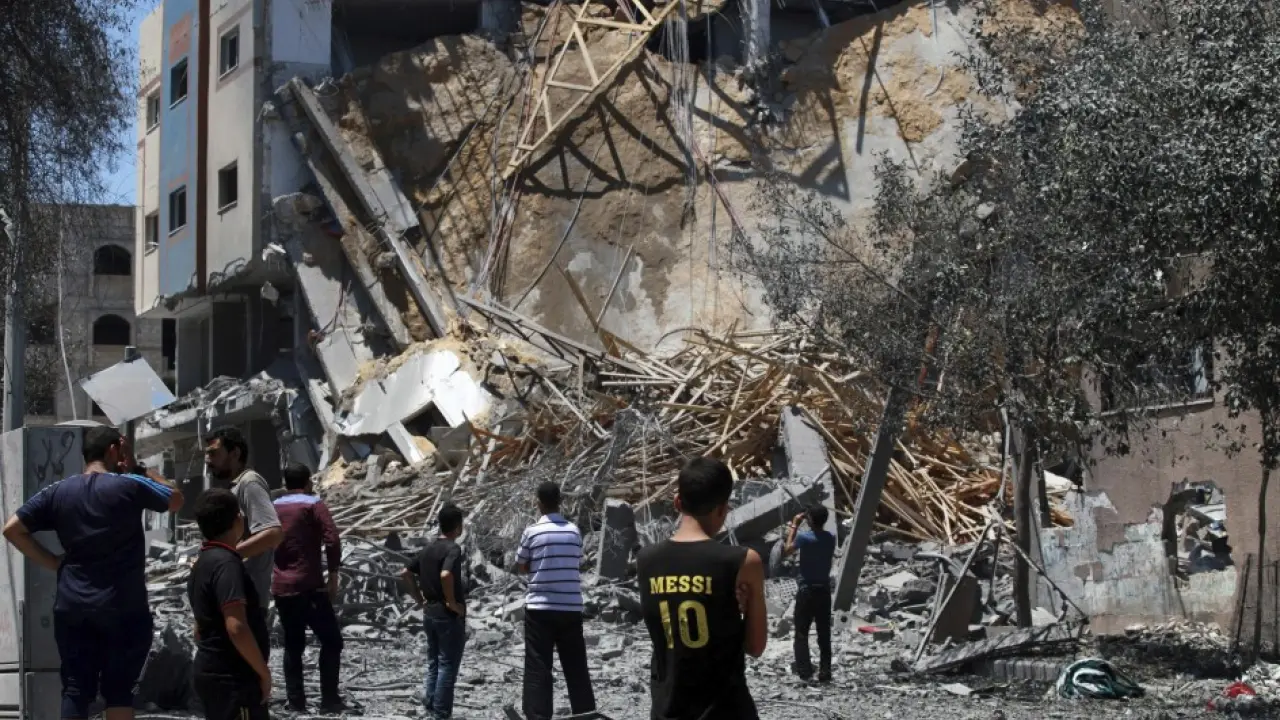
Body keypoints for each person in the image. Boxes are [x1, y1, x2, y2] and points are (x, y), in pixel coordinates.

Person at [1, 425, 183, 720]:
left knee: (75, 689)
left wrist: (53, 562)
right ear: (114, 450)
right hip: (123, 607)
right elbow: (175, 499)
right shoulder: (130, 484)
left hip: (73, 605)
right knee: (119, 691)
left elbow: (12, 529)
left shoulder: (58, 491)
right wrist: (139, 468)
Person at [637, 456, 767, 720]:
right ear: (723, 509)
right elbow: (755, 646)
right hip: (726, 712)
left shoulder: (646, 561)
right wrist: (744, 609)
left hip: (668, 709)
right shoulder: (743, 561)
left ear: (677, 502)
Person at [272, 462, 351, 713]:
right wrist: (334, 573)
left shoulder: (274, 507)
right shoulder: (313, 504)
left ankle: (296, 703)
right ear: (308, 482)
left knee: (293, 645)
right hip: (310, 586)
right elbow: (332, 538)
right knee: (332, 641)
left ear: (285, 484)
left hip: (283, 587)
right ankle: (330, 700)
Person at [515, 482, 597, 720]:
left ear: (539, 503)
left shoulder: (532, 532)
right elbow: (575, 561)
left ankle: (537, 715)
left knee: (538, 664)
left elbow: (521, 564)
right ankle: (586, 713)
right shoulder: (573, 531)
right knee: (576, 665)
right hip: (570, 607)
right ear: (560, 502)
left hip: (540, 607)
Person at [188, 489, 273, 720]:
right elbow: (236, 626)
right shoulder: (227, 564)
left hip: (213, 671)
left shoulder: (202, 562)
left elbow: (199, 628)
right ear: (237, 520)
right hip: (233, 677)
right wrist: (263, 673)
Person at [400, 504, 468, 719]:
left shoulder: (428, 548)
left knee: (434, 663)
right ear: (458, 527)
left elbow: (405, 572)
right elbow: (446, 574)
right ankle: (441, 713)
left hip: (429, 612)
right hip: (447, 616)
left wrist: (419, 599)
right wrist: (452, 603)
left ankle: (430, 707)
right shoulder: (453, 549)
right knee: (447, 665)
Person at [204, 426, 282, 613]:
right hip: (234, 597)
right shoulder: (234, 487)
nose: (207, 460)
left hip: (248, 600)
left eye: (213, 453)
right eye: (206, 454)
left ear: (235, 453)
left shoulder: (249, 483)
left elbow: (273, 534)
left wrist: (222, 559)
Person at [783, 505, 836, 683]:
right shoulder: (831, 538)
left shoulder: (803, 537)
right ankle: (825, 671)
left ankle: (805, 672)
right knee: (824, 633)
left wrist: (794, 525)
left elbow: (787, 550)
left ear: (810, 520)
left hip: (807, 590)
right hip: (824, 590)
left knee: (801, 632)